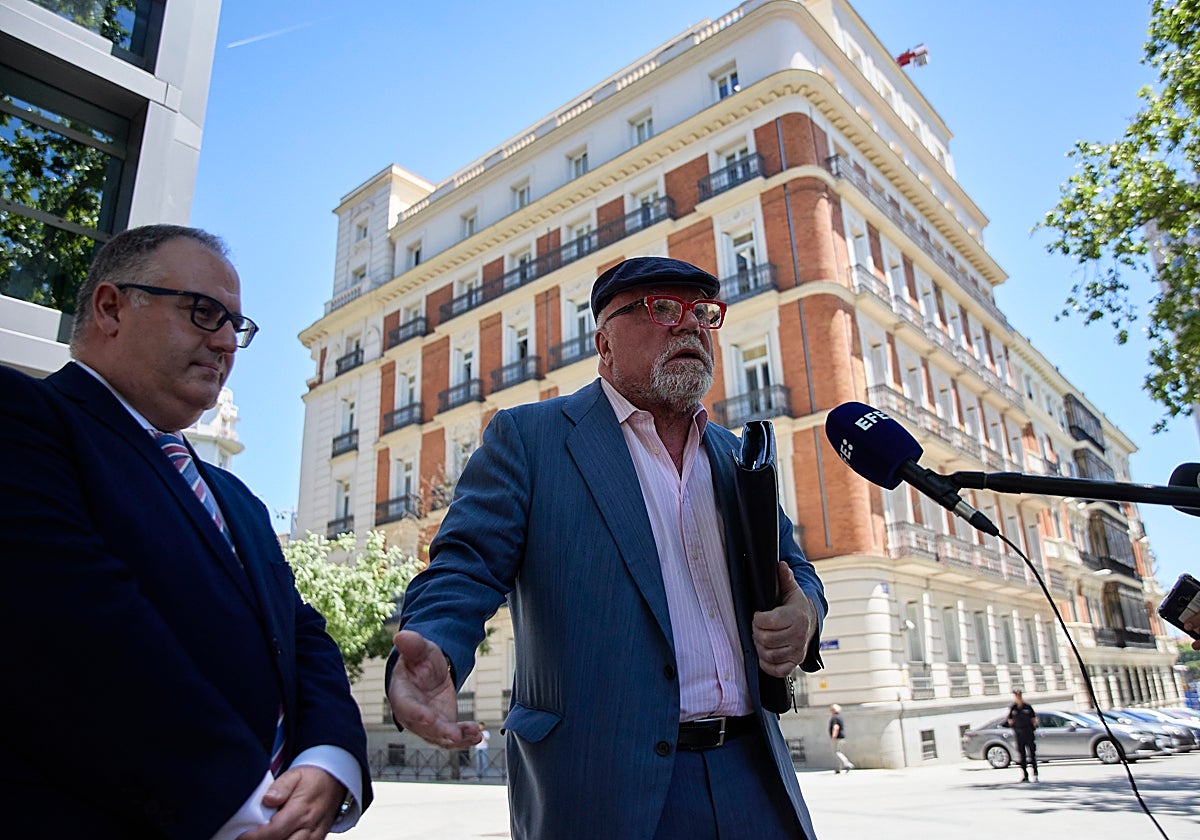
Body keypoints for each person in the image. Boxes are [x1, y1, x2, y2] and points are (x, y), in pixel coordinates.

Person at [387, 256, 828, 839]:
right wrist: (437, 648)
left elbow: (796, 570)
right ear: (604, 342)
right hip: (602, 787)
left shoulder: (737, 456)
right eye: (662, 309)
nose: (690, 325)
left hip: (753, 775)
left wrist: (806, 615)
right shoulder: (530, 439)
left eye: (702, 313)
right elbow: (465, 566)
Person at [0, 225, 372, 838]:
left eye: (236, 325)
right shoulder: (26, 421)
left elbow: (302, 635)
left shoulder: (238, 501)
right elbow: (76, 631)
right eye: (204, 313)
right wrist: (249, 810)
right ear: (112, 307)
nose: (227, 341)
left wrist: (329, 758)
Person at [1007, 690, 1038, 782]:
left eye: (1019, 695)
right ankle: (1025, 774)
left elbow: (1034, 719)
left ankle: (1035, 771)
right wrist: (1015, 728)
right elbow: (1010, 720)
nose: (1018, 697)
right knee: (1022, 755)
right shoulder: (1013, 708)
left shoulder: (1027, 707)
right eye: (1016, 696)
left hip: (1028, 732)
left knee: (1032, 753)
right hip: (1019, 734)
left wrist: (1033, 727)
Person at [829, 704, 854, 773]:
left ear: (833, 710)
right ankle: (838, 768)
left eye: (831, 710)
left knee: (837, 752)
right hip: (842, 737)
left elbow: (836, 727)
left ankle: (847, 764)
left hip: (837, 737)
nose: (830, 711)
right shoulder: (839, 717)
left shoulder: (834, 718)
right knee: (839, 752)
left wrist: (834, 736)